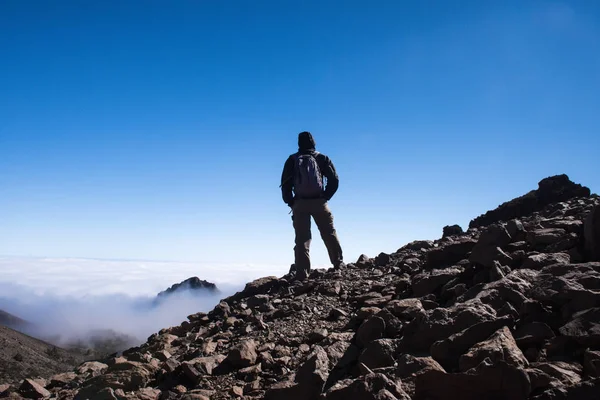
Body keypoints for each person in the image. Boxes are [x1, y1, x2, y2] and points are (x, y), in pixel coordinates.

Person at [280, 131, 344, 280]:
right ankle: (338, 264)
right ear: (314, 143)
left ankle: (302, 274)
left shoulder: (292, 159)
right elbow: (334, 180)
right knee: (329, 233)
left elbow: (285, 184)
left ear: (299, 144)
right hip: (319, 202)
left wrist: (291, 202)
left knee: (302, 239)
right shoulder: (322, 158)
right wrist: (325, 196)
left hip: (300, 203)